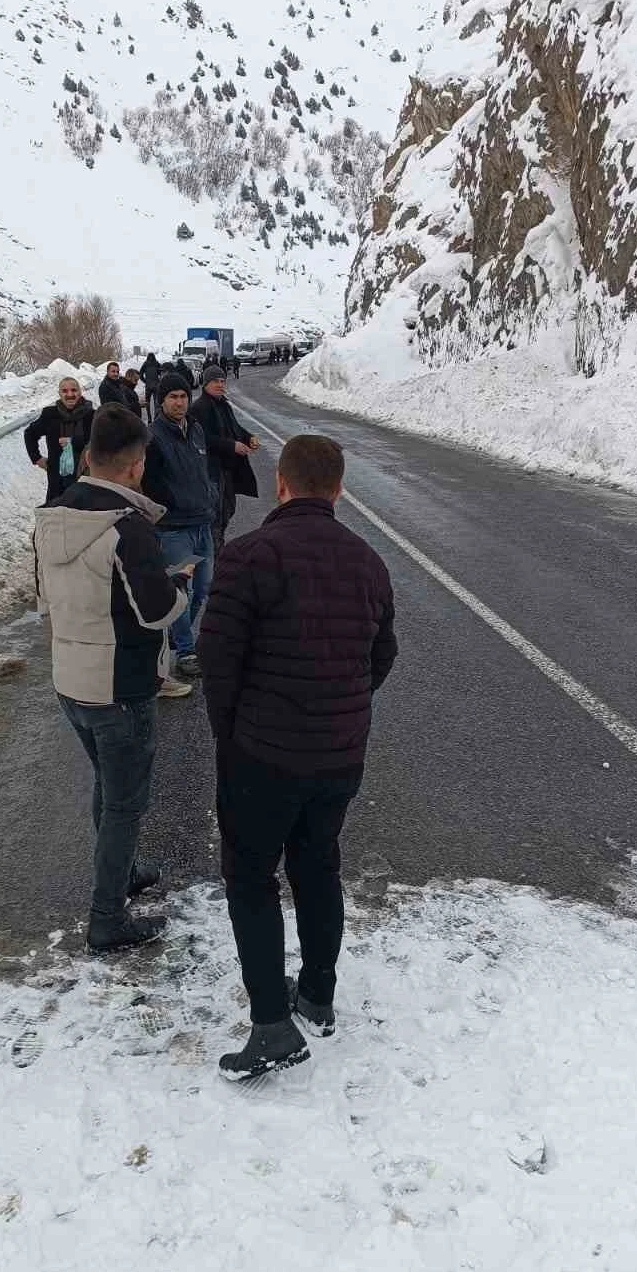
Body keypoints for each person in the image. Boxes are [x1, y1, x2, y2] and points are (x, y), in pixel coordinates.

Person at [198, 434, 398, 1080]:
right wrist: (339, 704)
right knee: (318, 868)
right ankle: (317, 993)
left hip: (262, 754)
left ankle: (271, 1026)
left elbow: (219, 664)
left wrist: (231, 735)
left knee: (251, 878)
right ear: (338, 488)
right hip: (339, 757)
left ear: (280, 484)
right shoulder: (369, 561)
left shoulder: (248, 556)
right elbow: (381, 657)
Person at [34, 406, 194, 954]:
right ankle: (107, 918)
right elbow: (155, 611)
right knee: (125, 802)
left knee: (108, 785)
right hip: (119, 686)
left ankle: (120, 874)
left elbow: (47, 599)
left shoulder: (52, 518)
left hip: (70, 679)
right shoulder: (127, 529)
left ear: (87, 457)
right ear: (135, 466)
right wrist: (181, 588)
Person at [141, 373, 217, 681]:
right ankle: (186, 651)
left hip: (202, 522)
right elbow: (150, 481)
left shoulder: (196, 430)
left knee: (203, 587)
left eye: (183, 396)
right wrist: (172, 502)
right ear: (162, 401)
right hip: (174, 529)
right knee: (180, 592)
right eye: (172, 396)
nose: (179, 401)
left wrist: (209, 494)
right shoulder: (153, 436)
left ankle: (177, 634)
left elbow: (204, 469)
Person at [189, 365, 259, 556]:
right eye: (215, 381)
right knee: (215, 516)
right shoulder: (199, 408)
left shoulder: (223, 405)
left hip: (227, 469)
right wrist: (232, 446)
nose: (220, 385)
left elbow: (234, 428)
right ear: (205, 384)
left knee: (227, 510)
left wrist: (248, 437)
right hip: (211, 471)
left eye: (222, 381)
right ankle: (213, 556)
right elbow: (203, 439)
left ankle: (216, 549)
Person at [24, 376, 95, 503]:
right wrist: (36, 458)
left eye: (74, 390)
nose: (70, 394)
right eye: (65, 391)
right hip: (57, 481)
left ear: (80, 392)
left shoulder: (92, 416)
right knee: (55, 517)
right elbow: (30, 433)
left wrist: (73, 442)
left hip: (85, 477)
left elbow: (98, 443)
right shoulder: (50, 415)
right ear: (59, 394)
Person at [141, 352, 162, 421]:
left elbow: (140, 374)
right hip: (156, 385)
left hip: (148, 386)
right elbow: (161, 372)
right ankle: (156, 417)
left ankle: (149, 418)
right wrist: (158, 380)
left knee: (147, 402)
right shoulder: (156, 363)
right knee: (156, 403)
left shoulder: (145, 364)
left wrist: (145, 381)